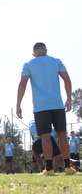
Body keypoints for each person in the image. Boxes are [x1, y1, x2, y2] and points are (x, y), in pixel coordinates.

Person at [16, 42, 75, 176]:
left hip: (41, 106)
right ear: (46, 51)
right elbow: (67, 80)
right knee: (62, 135)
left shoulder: (29, 64)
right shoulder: (56, 61)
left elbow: (22, 85)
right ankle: (67, 167)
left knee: (45, 137)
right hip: (57, 104)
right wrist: (69, 99)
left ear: (34, 52)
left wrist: (18, 104)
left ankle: (49, 169)